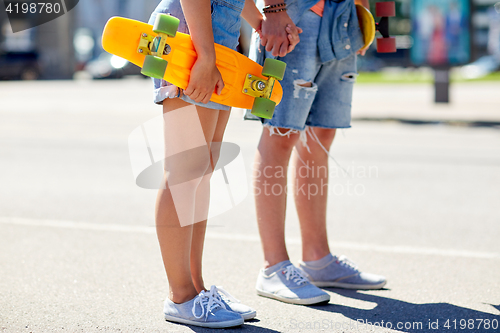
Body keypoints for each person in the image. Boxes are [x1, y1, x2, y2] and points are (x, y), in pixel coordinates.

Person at [148, 0, 301, 328]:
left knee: (202, 170)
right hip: (192, 36)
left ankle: (196, 288)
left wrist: (259, 23)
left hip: (219, 40)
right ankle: (181, 296)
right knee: (184, 170)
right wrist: (205, 55)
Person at [250, 0, 387, 305]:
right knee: (281, 132)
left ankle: (317, 259)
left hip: (341, 17)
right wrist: (272, 10)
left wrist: (362, 13)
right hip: (293, 13)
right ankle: (273, 267)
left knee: (322, 133)